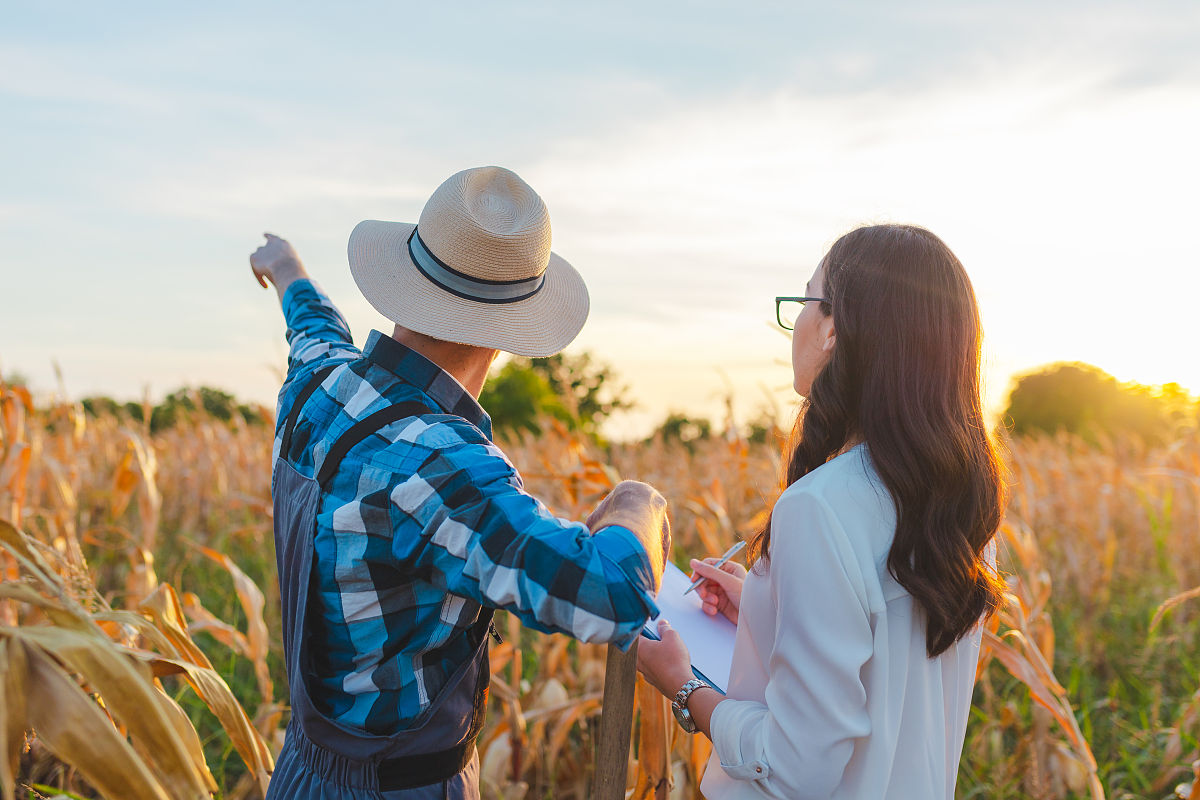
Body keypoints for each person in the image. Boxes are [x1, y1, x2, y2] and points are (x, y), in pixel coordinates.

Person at [250, 166, 671, 800]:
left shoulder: (317, 383)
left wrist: (287, 269)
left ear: (408, 280)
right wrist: (639, 501)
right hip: (402, 788)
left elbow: (313, 327)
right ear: (509, 333)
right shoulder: (441, 463)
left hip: (302, 772)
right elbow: (614, 594)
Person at [636, 224, 1004, 799]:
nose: (799, 323)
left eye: (806, 300)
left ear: (833, 328)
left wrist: (684, 687)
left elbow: (794, 768)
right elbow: (889, 672)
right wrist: (766, 611)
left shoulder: (819, 508)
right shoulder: (962, 508)